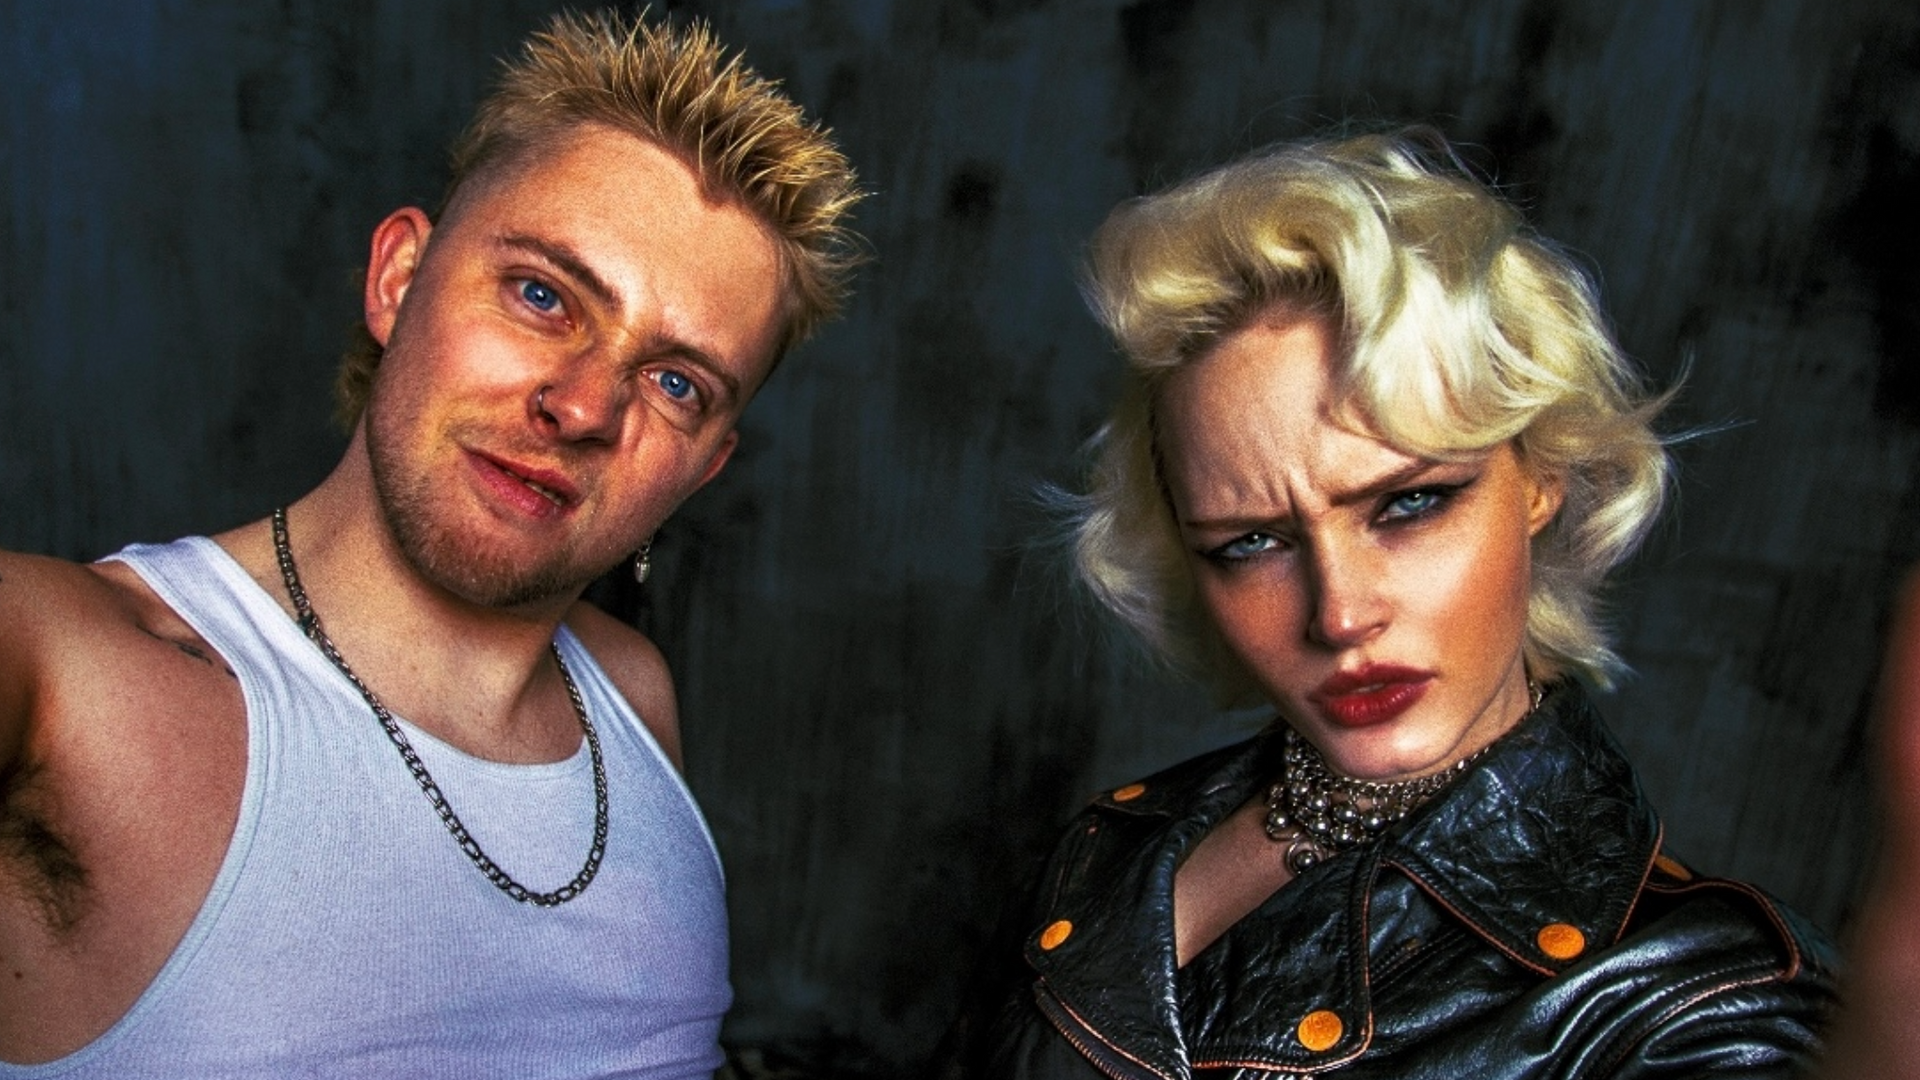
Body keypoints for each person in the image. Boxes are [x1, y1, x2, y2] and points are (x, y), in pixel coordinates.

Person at [0, 10, 858, 1078]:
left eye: (675, 383)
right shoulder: (60, 664)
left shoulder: (634, 702)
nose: (584, 407)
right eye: (542, 296)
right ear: (399, 278)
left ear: (705, 466)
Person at [970, 130, 1838, 1077]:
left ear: (1541, 474)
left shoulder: (1702, 1002)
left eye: (1410, 503)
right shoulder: (1113, 848)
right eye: (1251, 543)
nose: (1340, 616)